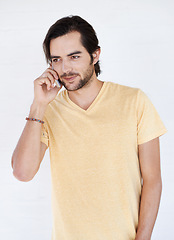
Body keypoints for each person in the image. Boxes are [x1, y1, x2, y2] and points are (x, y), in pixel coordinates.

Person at [11, 15, 167, 240]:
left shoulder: (134, 101)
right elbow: (22, 173)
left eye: (74, 56)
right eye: (56, 60)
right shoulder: (49, 110)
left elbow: (152, 178)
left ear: (95, 55)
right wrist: (38, 105)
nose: (65, 68)